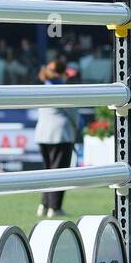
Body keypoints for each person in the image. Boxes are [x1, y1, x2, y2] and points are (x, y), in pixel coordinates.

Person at [34, 60, 80, 219]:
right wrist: (76, 126)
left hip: (42, 133)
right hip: (61, 134)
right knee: (60, 173)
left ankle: (44, 205)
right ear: (61, 74)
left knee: (48, 171)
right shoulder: (61, 87)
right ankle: (55, 207)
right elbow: (73, 113)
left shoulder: (44, 85)